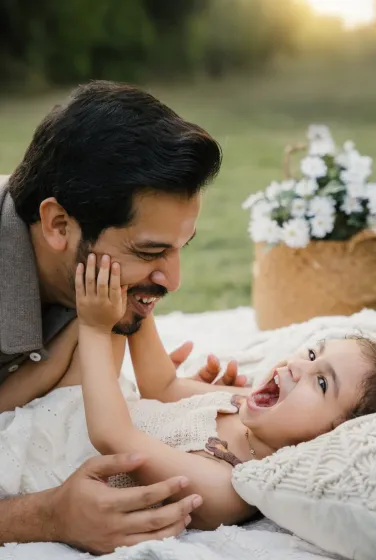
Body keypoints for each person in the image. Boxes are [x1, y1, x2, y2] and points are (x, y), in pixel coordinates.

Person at [2, 255, 376, 540]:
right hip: (73, 409)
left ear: (332, 437)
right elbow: (161, 387)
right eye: (313, 354)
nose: (297, 366)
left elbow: (113, 436)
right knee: (99, 324)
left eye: (322, 383)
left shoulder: (226, 487)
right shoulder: (245, 404)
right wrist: (137, 299)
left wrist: (97, 328)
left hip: (53, 458)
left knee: (91, 329)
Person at [0, 80, 245, 553]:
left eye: (179, 250)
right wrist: (44, 516)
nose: (173, 281)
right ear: (57, 224)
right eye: (150, 251)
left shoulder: (91, 286)